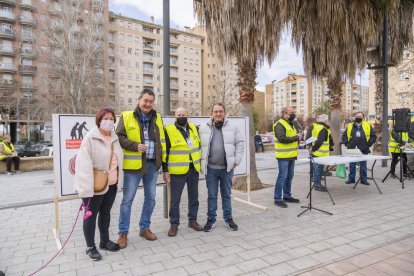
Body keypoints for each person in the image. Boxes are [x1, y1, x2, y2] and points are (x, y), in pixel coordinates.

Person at [116, 89, 166, 248]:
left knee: (151, 198)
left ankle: (144, 228)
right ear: (139, 100)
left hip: (152, 165)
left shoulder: (157, 118)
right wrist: (135, 146)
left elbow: (162, 142)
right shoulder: (127, 116)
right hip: (133, 166)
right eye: (145, 100)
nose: (148, 104)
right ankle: (123, 233)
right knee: (127, 200)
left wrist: (163, 165)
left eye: (151, 101)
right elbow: (119, 138)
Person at [74, 108, 124, 261]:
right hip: (94, 187)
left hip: (111, 184)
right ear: (99, 120)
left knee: (106, 213)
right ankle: (90, 247)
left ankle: (104, 241)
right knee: (90, 216)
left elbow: (117, 161)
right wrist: (85, 190)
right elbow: (83, 165)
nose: (109, 121)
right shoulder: (90, 138)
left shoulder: (114, 137)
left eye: (111, 118)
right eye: (105, 118)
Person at [199, 103, 244, 232]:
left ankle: (228, 218)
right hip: (211, 169)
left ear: (224, 113)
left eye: (221, 111)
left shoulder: (233, 127)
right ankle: (211, 219)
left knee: (226, 194)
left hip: (227, 168)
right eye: (216, 111)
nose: (218, 114)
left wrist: (237, 160)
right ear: (212, 113)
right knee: (211, 195)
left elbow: (240, 143)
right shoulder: (203, 128)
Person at [163, 107, 203, 237]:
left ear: (188, 115)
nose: (181, 117)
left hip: (193, 169)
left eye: (183, 115)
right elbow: (165, 152)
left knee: (194, 198)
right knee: (175, 200)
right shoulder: (168, 130)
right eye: (179, 115)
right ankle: (174, 224)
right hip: (177, 171)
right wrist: (165, 170)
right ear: (174, 116)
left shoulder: (194, 128)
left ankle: (192, 221)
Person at [273, 106, 302, 208]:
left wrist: (298, 139)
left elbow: (291, 138)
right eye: (291, 113)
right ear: (285, 113)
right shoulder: (279, 124)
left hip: (292, 155)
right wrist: (296, 137)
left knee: (289, 177)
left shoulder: (291, 124)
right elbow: (282, 139)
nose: (293, 115)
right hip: (283, 156)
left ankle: (287, 196)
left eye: (294, 113)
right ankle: (277, 198)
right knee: (282, 177)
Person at [342, 112, 376, 185]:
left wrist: (368, 144)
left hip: (363, 148)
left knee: (363, 165)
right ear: (355, 117)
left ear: (363, 117)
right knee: (352, 164)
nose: (358, 117)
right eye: (357, 116)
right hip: (352, 148)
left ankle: (363, 179)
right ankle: (351, 179)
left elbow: (373, 136)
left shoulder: (367, 125)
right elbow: (344, 136)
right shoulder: (350, 125)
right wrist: (347, 144)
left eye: (360, 116)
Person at [307, 114, 334, 192]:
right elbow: (319, 141)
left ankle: (317, 184)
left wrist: (310, 146)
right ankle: (317, 185)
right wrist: (313, 149)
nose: (329, 122)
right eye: (328, 120)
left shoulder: (318, 127)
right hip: (320, 153)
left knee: (317, 170)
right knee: (318, 171)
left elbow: (313, 138)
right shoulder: (323, 129)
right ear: (326, 121)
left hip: (317, 153)